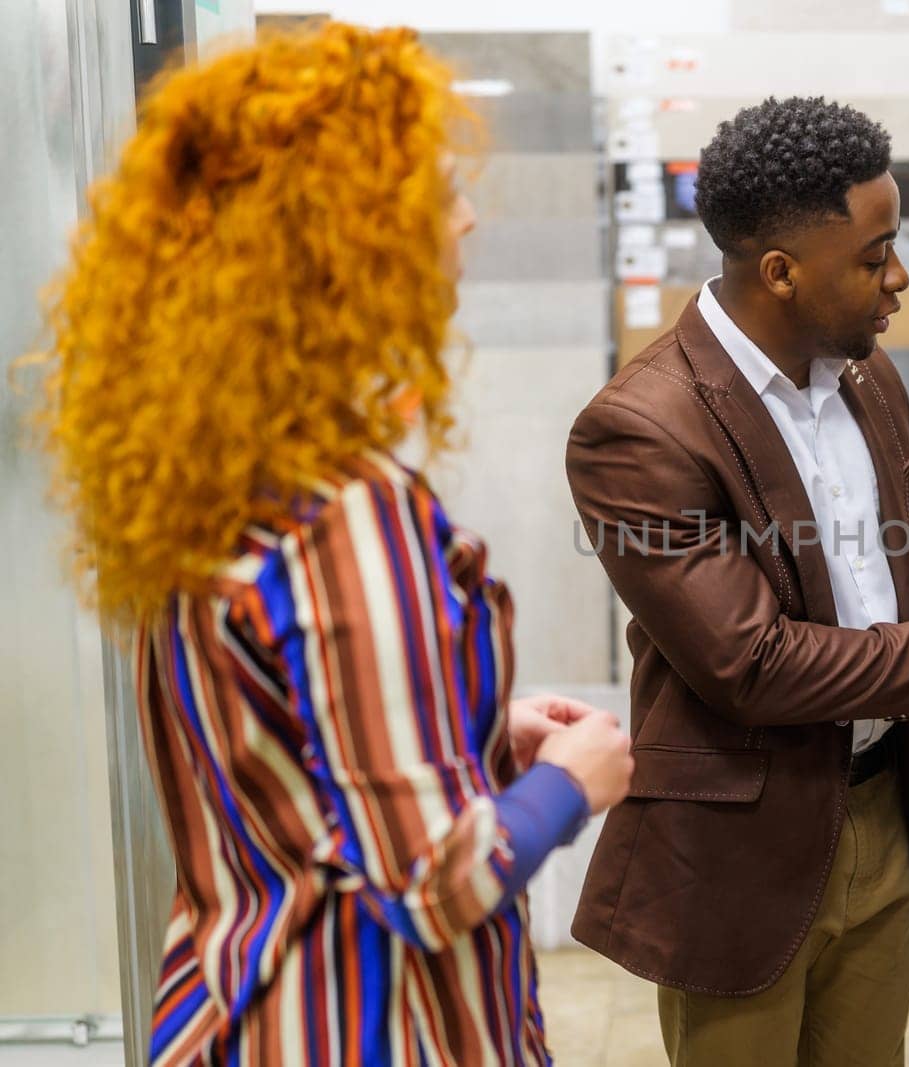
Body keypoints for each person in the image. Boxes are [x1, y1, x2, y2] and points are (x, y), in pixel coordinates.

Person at [24, 24, 632, 1065]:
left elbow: (285, 771)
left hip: (237, 1016)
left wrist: (481, 730)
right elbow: (437, 880)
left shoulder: (205, 482)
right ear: (346, 240)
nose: (469, 216)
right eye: (438, 195)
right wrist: (576, 777)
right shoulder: (349, 512)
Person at [564, 96, 909, 1065]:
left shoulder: (869, 381)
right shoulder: (640, 428)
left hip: (880, 819)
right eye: (874, 256)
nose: (900, 276)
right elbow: (754, 663)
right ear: (780, 273)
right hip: (739, 853)